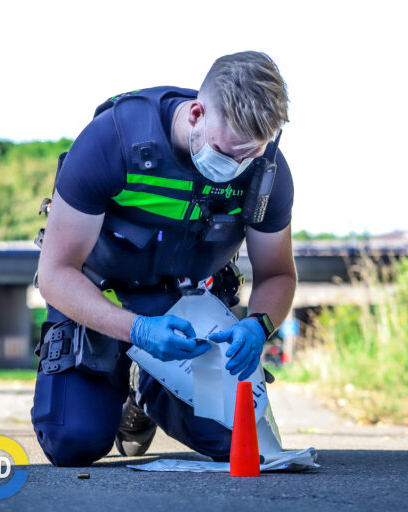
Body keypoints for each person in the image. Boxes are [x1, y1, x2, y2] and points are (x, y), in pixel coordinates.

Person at [32, 51, 297, 467]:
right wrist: (137, 330)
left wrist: (258, 325)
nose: (234, 168)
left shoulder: (267, 172)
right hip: (99, 295)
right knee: (74, 442)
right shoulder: (113, 141)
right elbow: (55, 273)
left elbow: (277, 273)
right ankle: (119, 375)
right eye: (225, 153)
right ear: (196, 114)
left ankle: (145, 391)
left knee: (238, 445)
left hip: (186, 306)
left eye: (248, 155)